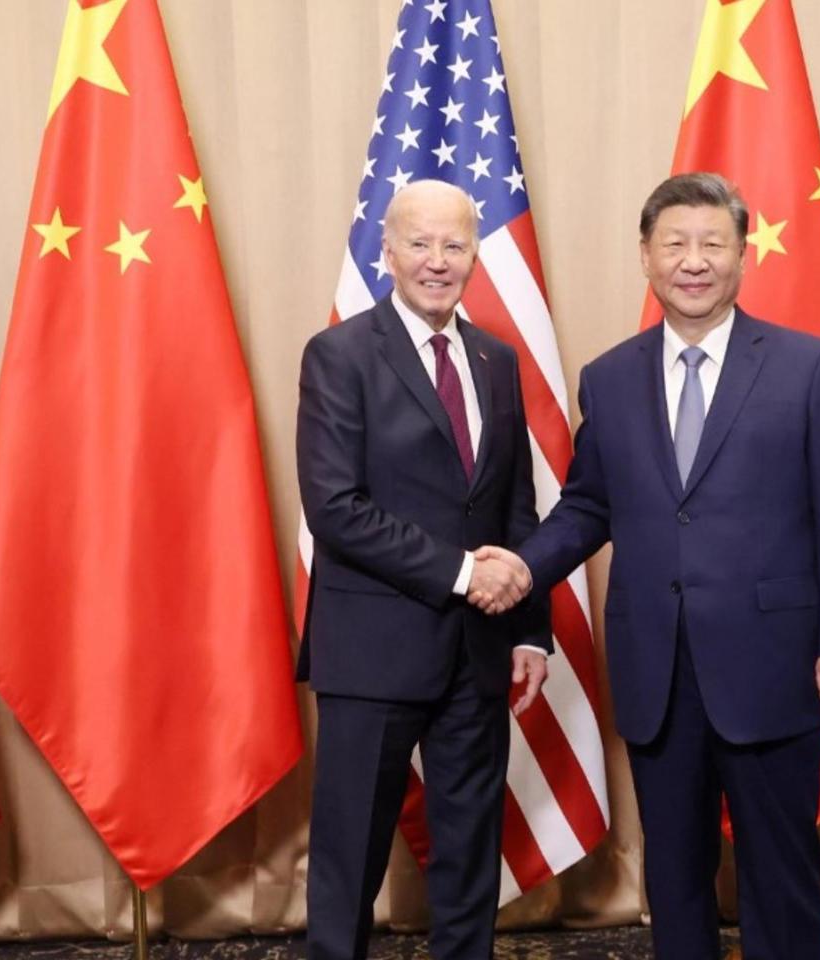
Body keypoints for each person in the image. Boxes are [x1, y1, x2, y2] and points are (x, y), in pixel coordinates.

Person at [479, 172, 820, 959]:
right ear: (646, 258)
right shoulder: (612, 377)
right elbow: (590, 506)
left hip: (775, 664)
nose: (694, 262)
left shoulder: (805, 367)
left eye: (713, 245)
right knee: (675, 870)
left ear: (740, 257)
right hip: (657, 665)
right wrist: (522, 568)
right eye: (676, 245)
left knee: (781, 867)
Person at [296, 178, 548, 960]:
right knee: (349, 858)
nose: (438, 261)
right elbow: (336, 508)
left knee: (471, 855)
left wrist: (531, 629)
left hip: (479, 652)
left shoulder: (496, 360)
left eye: (455, 244)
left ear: (476, 252)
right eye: (419, 243)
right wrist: (462, 573)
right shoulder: (339, 355)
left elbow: (513, 504)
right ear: (388, 249)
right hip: (372, 650)